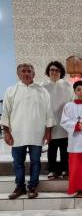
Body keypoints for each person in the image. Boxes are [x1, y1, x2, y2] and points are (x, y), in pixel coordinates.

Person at [1, 63, 54, 199]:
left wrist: (48, 131)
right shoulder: (11, 91)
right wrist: (6, 132)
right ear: (18, 74)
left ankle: (32, 186)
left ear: (34, 74)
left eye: (29, 71)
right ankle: (19, 187)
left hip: (37, 133)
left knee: (35, 161)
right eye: (23, 71)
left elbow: (49, 113)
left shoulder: (42, 91)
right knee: (18, 162)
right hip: (17, 133)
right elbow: (6, 113)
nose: (26, 73)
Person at [42, 61, 74, 179]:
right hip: (51, 123)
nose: (54, 72)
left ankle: (66, 169)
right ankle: (52, 170)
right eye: (52, 70)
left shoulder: (68, 85)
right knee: (52, 150)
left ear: (61, 72)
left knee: (65, 149)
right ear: (48, 72)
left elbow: (72, 102)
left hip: (64, 122)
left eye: (57, 70)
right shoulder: (43, 87)